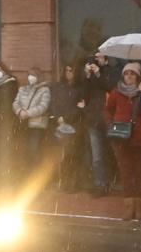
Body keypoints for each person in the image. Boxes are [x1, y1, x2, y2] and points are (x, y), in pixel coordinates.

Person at [102, 63, 141, 222]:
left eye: (133, 74)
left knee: (140, 174)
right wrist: (111, 124)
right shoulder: (116, 92)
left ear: (138, 76)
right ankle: (128, 207)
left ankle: (140, 208)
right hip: (121, 139)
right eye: (127, 73)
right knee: (125, 173)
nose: (129, 76)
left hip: (140, 139)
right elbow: (107, 110)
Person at [49, 63, 87, 192]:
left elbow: (79, 108)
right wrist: (58, 117)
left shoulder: (80, 89)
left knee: (73, 154)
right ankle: (64, 182)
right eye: (67, 70)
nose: (69, 73)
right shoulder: (60, 87)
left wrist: (66, 118)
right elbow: (54, 103)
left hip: (74, 125)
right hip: (60, 124)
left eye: (71, 70)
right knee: (62, 155)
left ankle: (73, 183)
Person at [80, 59, 115, 195]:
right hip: (94, 120)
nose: (97, 61)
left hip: (109, 120)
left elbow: (110, 87)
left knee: (113, 153)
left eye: (100, 57)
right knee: (97, 157)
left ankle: (111, 182)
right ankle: (100, 184)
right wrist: (88, 76)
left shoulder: (110, 72)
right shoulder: (90, 77)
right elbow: (84, 95)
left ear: (106, 59)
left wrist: (99, 73)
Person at [13, 69, 52, 182]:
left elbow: (43, 106)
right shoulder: (23, 89)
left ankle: (36, 178)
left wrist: (27, 113)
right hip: (24, 124)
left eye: (33, 75)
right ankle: (26, 176)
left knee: (35, 150)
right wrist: (19, 111)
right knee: (25, 150)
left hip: (37, 125)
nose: (31, 77)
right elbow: (15, 102)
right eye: (29, 75)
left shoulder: (44, 90)